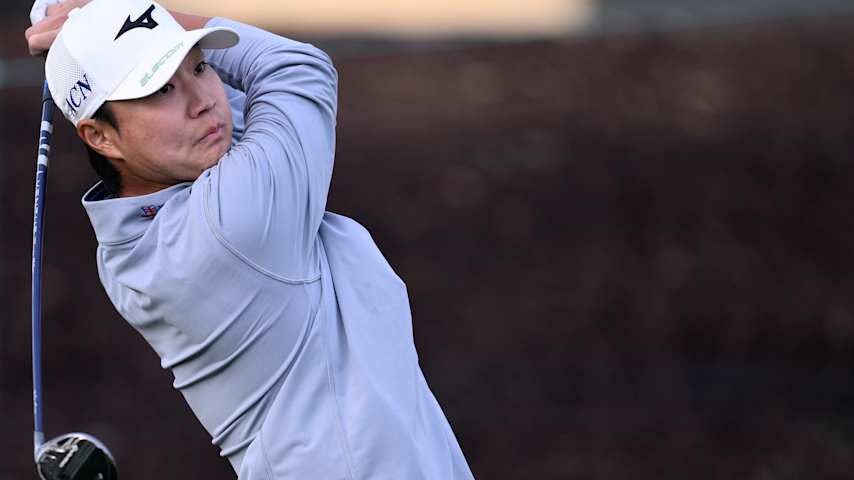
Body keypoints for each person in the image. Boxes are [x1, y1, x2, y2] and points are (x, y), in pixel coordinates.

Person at [26, 0, 475, 478]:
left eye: (200, 65)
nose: (203, 100)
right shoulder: (235, 223)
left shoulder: (126, 241)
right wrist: (128, 13)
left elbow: (225, 116)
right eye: (158, 88)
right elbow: (294, 68)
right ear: (101, 137)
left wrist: (106, 32)